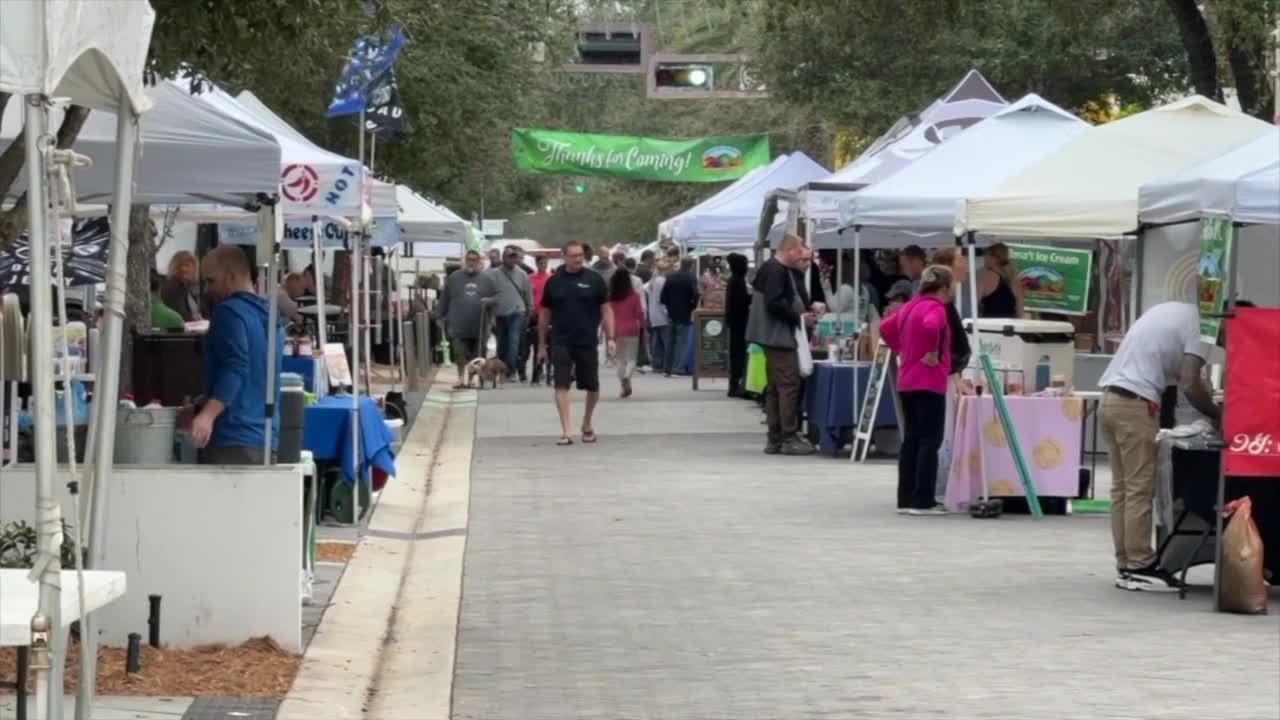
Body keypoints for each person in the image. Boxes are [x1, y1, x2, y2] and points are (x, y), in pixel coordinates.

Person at [1098, 301, 1220, 592]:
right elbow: (1190, 382)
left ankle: (1127, 564)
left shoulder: (1175, 310)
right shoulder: (1204, 327)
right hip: (1136, 405)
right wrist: (1219, 414)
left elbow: (1185, 374)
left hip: (1111, 400)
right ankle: (1140, 565)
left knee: (1123, 490)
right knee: (1139, 488)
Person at [191, 246, 284, 464]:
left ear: (231, 278)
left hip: (232, 437)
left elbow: (235, 367)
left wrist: (208, 415)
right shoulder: (272, 317)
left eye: (211, 281)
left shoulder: (228, 312)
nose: (206, 289)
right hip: (266, 436)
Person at [879, 265, 954, 515]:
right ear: (944, 287)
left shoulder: (910, 305)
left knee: (911, 439)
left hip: (907, 379)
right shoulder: (936, 307)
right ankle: (924, 499)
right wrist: (932, 351)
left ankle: (906, 497)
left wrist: (902, 348)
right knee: (930, 439)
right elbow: (932, 326)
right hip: (930, 380)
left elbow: (885, 328)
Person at [745, 233, 816, 456]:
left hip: (770, 336)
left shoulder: (770, 269)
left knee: (776, 387)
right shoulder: (777, 271)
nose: (800, 259)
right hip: (778, 336)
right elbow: (774, 303)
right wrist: (799, 318)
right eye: (799, 253)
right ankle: (788, 436)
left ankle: (775, 437)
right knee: (788, 384)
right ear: (790, 250)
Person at [538, 241, 614, 446]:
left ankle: (587, 423)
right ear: (564, 256)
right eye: (573, 255)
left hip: (587, 340)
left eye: (580, 255)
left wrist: (611, 338)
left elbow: (606, 310)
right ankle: (566, 431)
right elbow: (544, 314)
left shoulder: (594, 279)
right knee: (561, 384)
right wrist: (541, 344)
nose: (578, 259)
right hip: (561, 340)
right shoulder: (554, 282)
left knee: (592, 385)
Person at [437, 249, 497, 389]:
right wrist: (440, 315)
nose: (471, 263)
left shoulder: (487, 279)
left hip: (479, 324)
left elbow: (496, 298)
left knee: (477, 355)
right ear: (465, 260)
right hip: (458, 323)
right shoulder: (454, 278)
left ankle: (472, 379)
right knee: (459, 353)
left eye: (474, 260)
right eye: (469, 259)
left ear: (479, 262)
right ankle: (459, 378)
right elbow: (445, 298)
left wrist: (489, 302)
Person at [487, 244, 534, 382]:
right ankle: (500, 370)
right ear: (503, 258)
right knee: (502, 344)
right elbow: (488, 291)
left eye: (514, 257)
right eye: (509, 257)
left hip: (517, 312)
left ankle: (511, 371)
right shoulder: (494, 273)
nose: (512, 259)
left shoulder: (522, 274)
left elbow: (527, 293)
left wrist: (530, 308)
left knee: (514, 342)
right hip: (500, 313)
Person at [660, 257, 700, 377]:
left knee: (670, 341)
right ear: (691, 266)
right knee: (681, 341)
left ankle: (667, 368)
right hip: (685, 312)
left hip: (671, 312)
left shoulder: (670, 277)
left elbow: (663, 297)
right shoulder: (691, 278)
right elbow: (696, 294)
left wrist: (669, 306)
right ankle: (678, 368)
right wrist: (692, 306)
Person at [608, 266, 644, 398]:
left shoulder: (611, 298)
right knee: (632, 359)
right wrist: (643, 326)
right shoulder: (635, 296)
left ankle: (623, 382)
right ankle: (627, 377)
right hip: (632, 328)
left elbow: (608, 315)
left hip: (617, 330)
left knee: (621, 360)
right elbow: (639, 313)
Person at [724, 253, 751, 398]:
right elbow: (742, 302)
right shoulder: (738, 281)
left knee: (736, 354)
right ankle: (735, 385)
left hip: (734, 322)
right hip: (739, 322)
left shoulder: (733, 280)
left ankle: (734, 385)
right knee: (738, 355)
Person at [977, 243, 1022, 318]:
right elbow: (1020, 310)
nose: (984, 258)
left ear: (994, 258)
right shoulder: (1014, 278)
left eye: (985, 255)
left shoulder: (987, 276)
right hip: (1010, 325)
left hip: (990, 325)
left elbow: (974, 303)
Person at [528, 254, 552, 384]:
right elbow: (527, 296)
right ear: (537, 264)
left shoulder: (551, 278)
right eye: (541, 263)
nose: (543, 265)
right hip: (534, 315)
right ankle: (536, 374)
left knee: (549, 344)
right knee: (537, 345)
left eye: (545, 263)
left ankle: (548, 373)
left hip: (549, 315)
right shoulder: (530, 278)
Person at [646, 259, 672, 375]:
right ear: (665, 270)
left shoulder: (652, 281)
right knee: (666, 341)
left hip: (653, 314)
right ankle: (666, 365)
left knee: (656, 341)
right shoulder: (663, 281)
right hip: (662, 315)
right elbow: (663, 300)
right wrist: (667, 313)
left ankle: (656, 365)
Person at [162, 251, 202, 322]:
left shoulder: (189, 287)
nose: (183, 269)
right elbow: (180, 315)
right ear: (175, 267)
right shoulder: (172, 287)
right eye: (181, 265)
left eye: (187, 266)